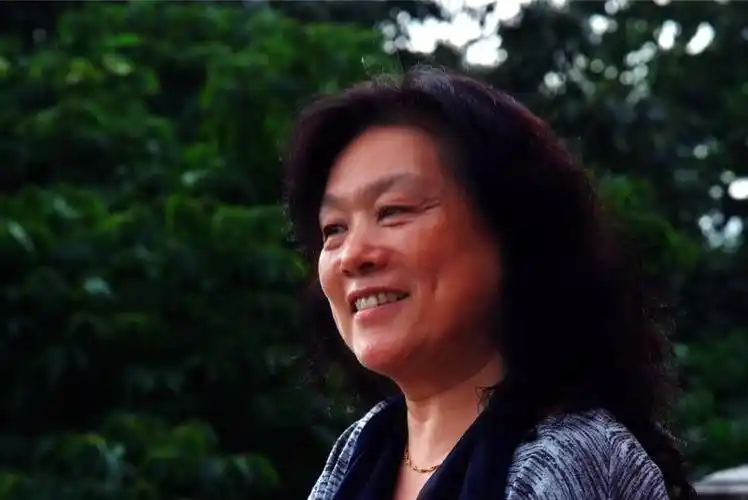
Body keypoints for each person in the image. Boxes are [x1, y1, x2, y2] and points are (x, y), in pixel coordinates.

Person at [283, 67, 696, 500]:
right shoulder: (358, 452)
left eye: (394, 210)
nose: (352, 256)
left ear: (512, 231)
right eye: (334, 229)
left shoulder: (572, 459)